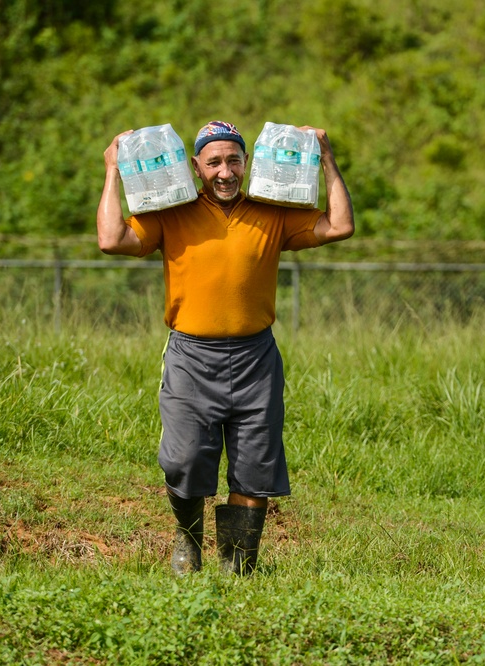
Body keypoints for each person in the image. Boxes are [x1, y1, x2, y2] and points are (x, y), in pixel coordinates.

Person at [96, 120, 354, 575]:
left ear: (247, 163)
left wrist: (326, 160)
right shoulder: (170, 212)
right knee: (185, 458)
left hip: (256, 360)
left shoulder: (272, 213)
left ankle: (238, 568)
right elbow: (111, 239)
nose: (225, 171)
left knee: (256, 467)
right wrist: (113, 170)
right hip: (191, 358)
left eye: (234, 160)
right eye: (213, 162)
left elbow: (340, 225)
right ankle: (188, 540)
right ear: (195, 167)